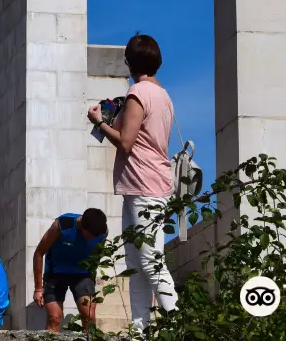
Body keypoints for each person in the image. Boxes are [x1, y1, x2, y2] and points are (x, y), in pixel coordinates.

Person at [87, 33, 178, 328]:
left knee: (149, 261)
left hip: (143, 185)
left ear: (130, 62)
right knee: (137, 263)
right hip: (147, 186)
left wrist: (100, 122)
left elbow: (126, 143)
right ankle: (140, 330)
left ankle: (177, 321)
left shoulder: (137, 93)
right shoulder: (163, 95)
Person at [32, 208, 108, 332]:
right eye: (90, 236)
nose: (93, 239)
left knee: (89, 315)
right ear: (82, 228)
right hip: (55, 273)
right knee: (54, 318)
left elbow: (96, 258)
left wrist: (91, 282)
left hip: (82, 274)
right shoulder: (62, 225)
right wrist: (38, 288)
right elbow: (39, 253)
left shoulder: (102, 233)